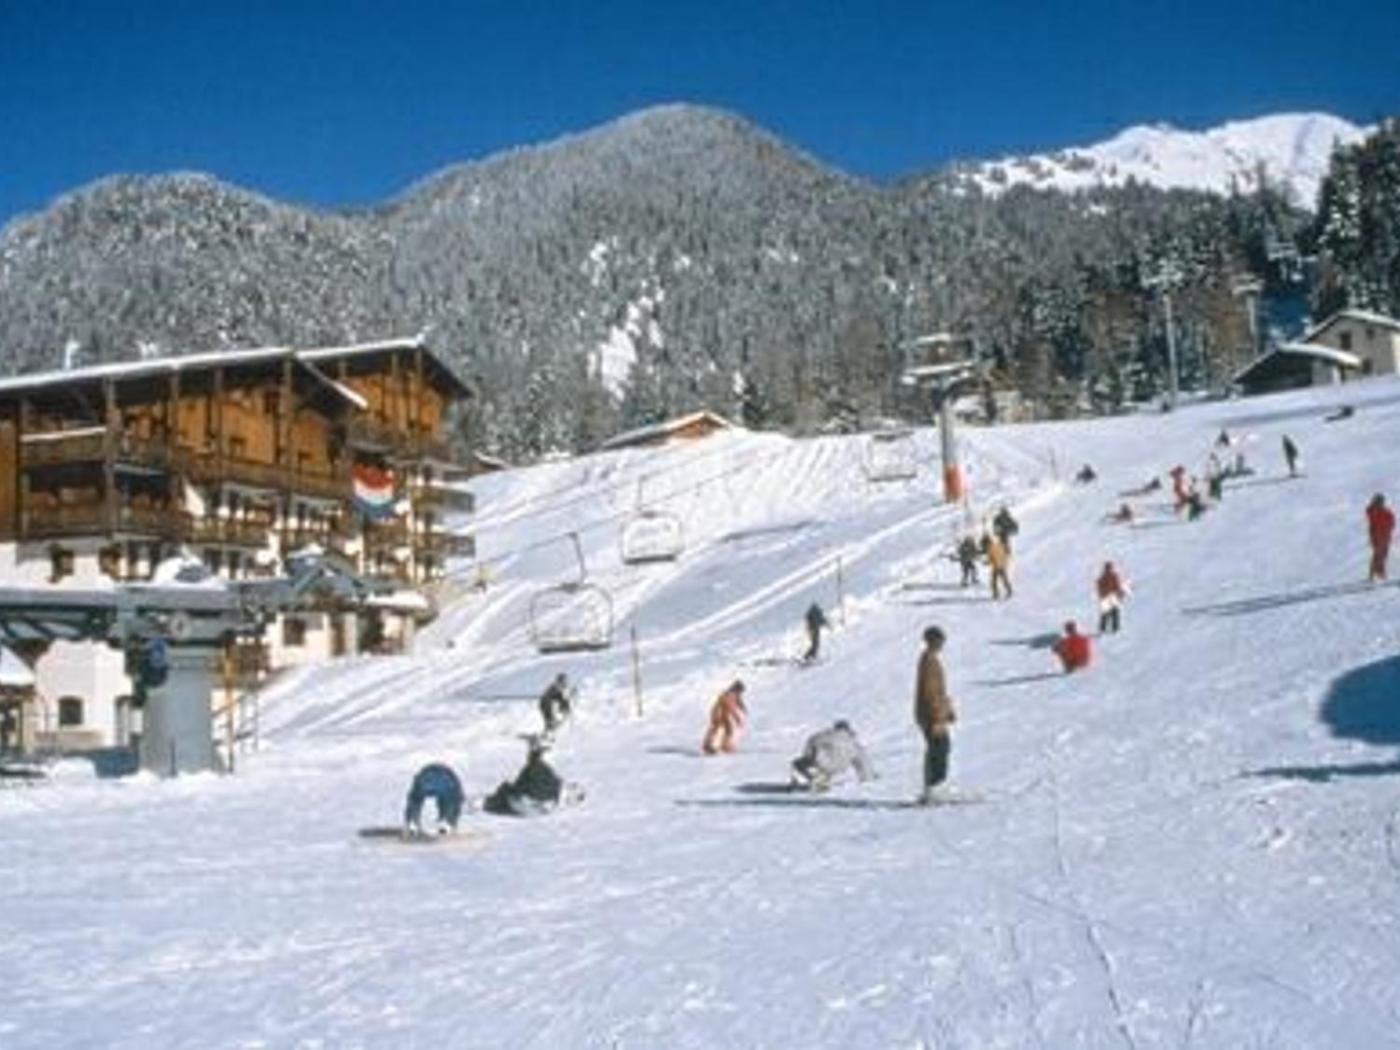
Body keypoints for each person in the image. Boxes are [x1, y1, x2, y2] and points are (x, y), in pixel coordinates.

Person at [913, 625, 957, 804]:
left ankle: (932, 788)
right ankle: (935, 788)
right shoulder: (929, 662)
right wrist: (938, 719)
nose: (942, 645)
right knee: (940, 748)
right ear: (932, 641)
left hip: (932, 713)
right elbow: (931, 693)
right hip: (931, 715)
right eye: (939, 641)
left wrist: (948, 710)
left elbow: (939, 691)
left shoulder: (930, 659)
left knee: (938, 748)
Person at [483, 736, 567, 816]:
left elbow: (521, 785)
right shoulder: (546, 769)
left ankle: (492, 805)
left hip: (530, 801)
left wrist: (511, 790)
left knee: (505, 788)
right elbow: (557, 785)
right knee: (507, 787)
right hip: (543, 801)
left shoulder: (532, 769)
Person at [790, 720, 876, 791]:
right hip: (840, 767)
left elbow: (812, 741)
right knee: (828, 763)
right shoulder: (854, 743)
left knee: (797, 763)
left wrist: (807, 755)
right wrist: (867, 778)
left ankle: (815, 779)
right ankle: (823, 779)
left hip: (823, 762)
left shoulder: (827, 734)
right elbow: (863, 762)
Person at [403, 762, 465, 835]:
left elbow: (413, 799)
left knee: (415, 799)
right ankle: (447, 823)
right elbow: (457, 800)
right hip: (445, 781)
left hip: (427, 777)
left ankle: (413, 823)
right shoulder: (452, 783)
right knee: (450, 801)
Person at [702, 680, 747, 755]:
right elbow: (730, 706)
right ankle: (707, 745)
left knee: (728, 729)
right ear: (736, 688)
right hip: (718, 712)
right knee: (715, 727)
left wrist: (742, 708)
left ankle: (724, 745)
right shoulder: (728, 694)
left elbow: (738, 701)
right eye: (740, 691)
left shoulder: (735, 694)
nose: (740, 693)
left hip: (724, 713)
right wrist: (736, 717)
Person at [1366, 493, 1395, 582]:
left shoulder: (1384, 511)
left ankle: (1379, 574)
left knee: (1383, 555)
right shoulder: (1373, 510)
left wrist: (1389, 529)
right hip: (1377, 536)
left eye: (1382, 502)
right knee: (1378, 555)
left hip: (1385, 535)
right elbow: (1374, 520)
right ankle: (1375, 575)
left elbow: (1392, 521)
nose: (1381, 503)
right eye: (1379, 501)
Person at [1096, 561, 1128, 633]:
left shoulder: (1110, 577)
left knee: (1111, 613)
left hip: (1110, 597)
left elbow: (1117, 586)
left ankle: (1111, 628)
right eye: (1108, 568)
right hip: (1108, 597)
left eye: (1109, 568)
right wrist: (1120, 593)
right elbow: (1100, 588)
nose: (1109, 570)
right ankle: (1107, 628)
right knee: (1108, 613)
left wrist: (1120, 593)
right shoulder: (1104, 578)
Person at [983, 531, 1012, 600]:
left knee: (995, 581)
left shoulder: (990, 548)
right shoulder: (995, 545)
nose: (985, 546)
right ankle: (1007, 591)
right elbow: (1001, 554)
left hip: (998, 566)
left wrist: (987, 562)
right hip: (1001, 565)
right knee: (1002, 579)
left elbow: (993, 557)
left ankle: (997, 594)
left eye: (985, 545)